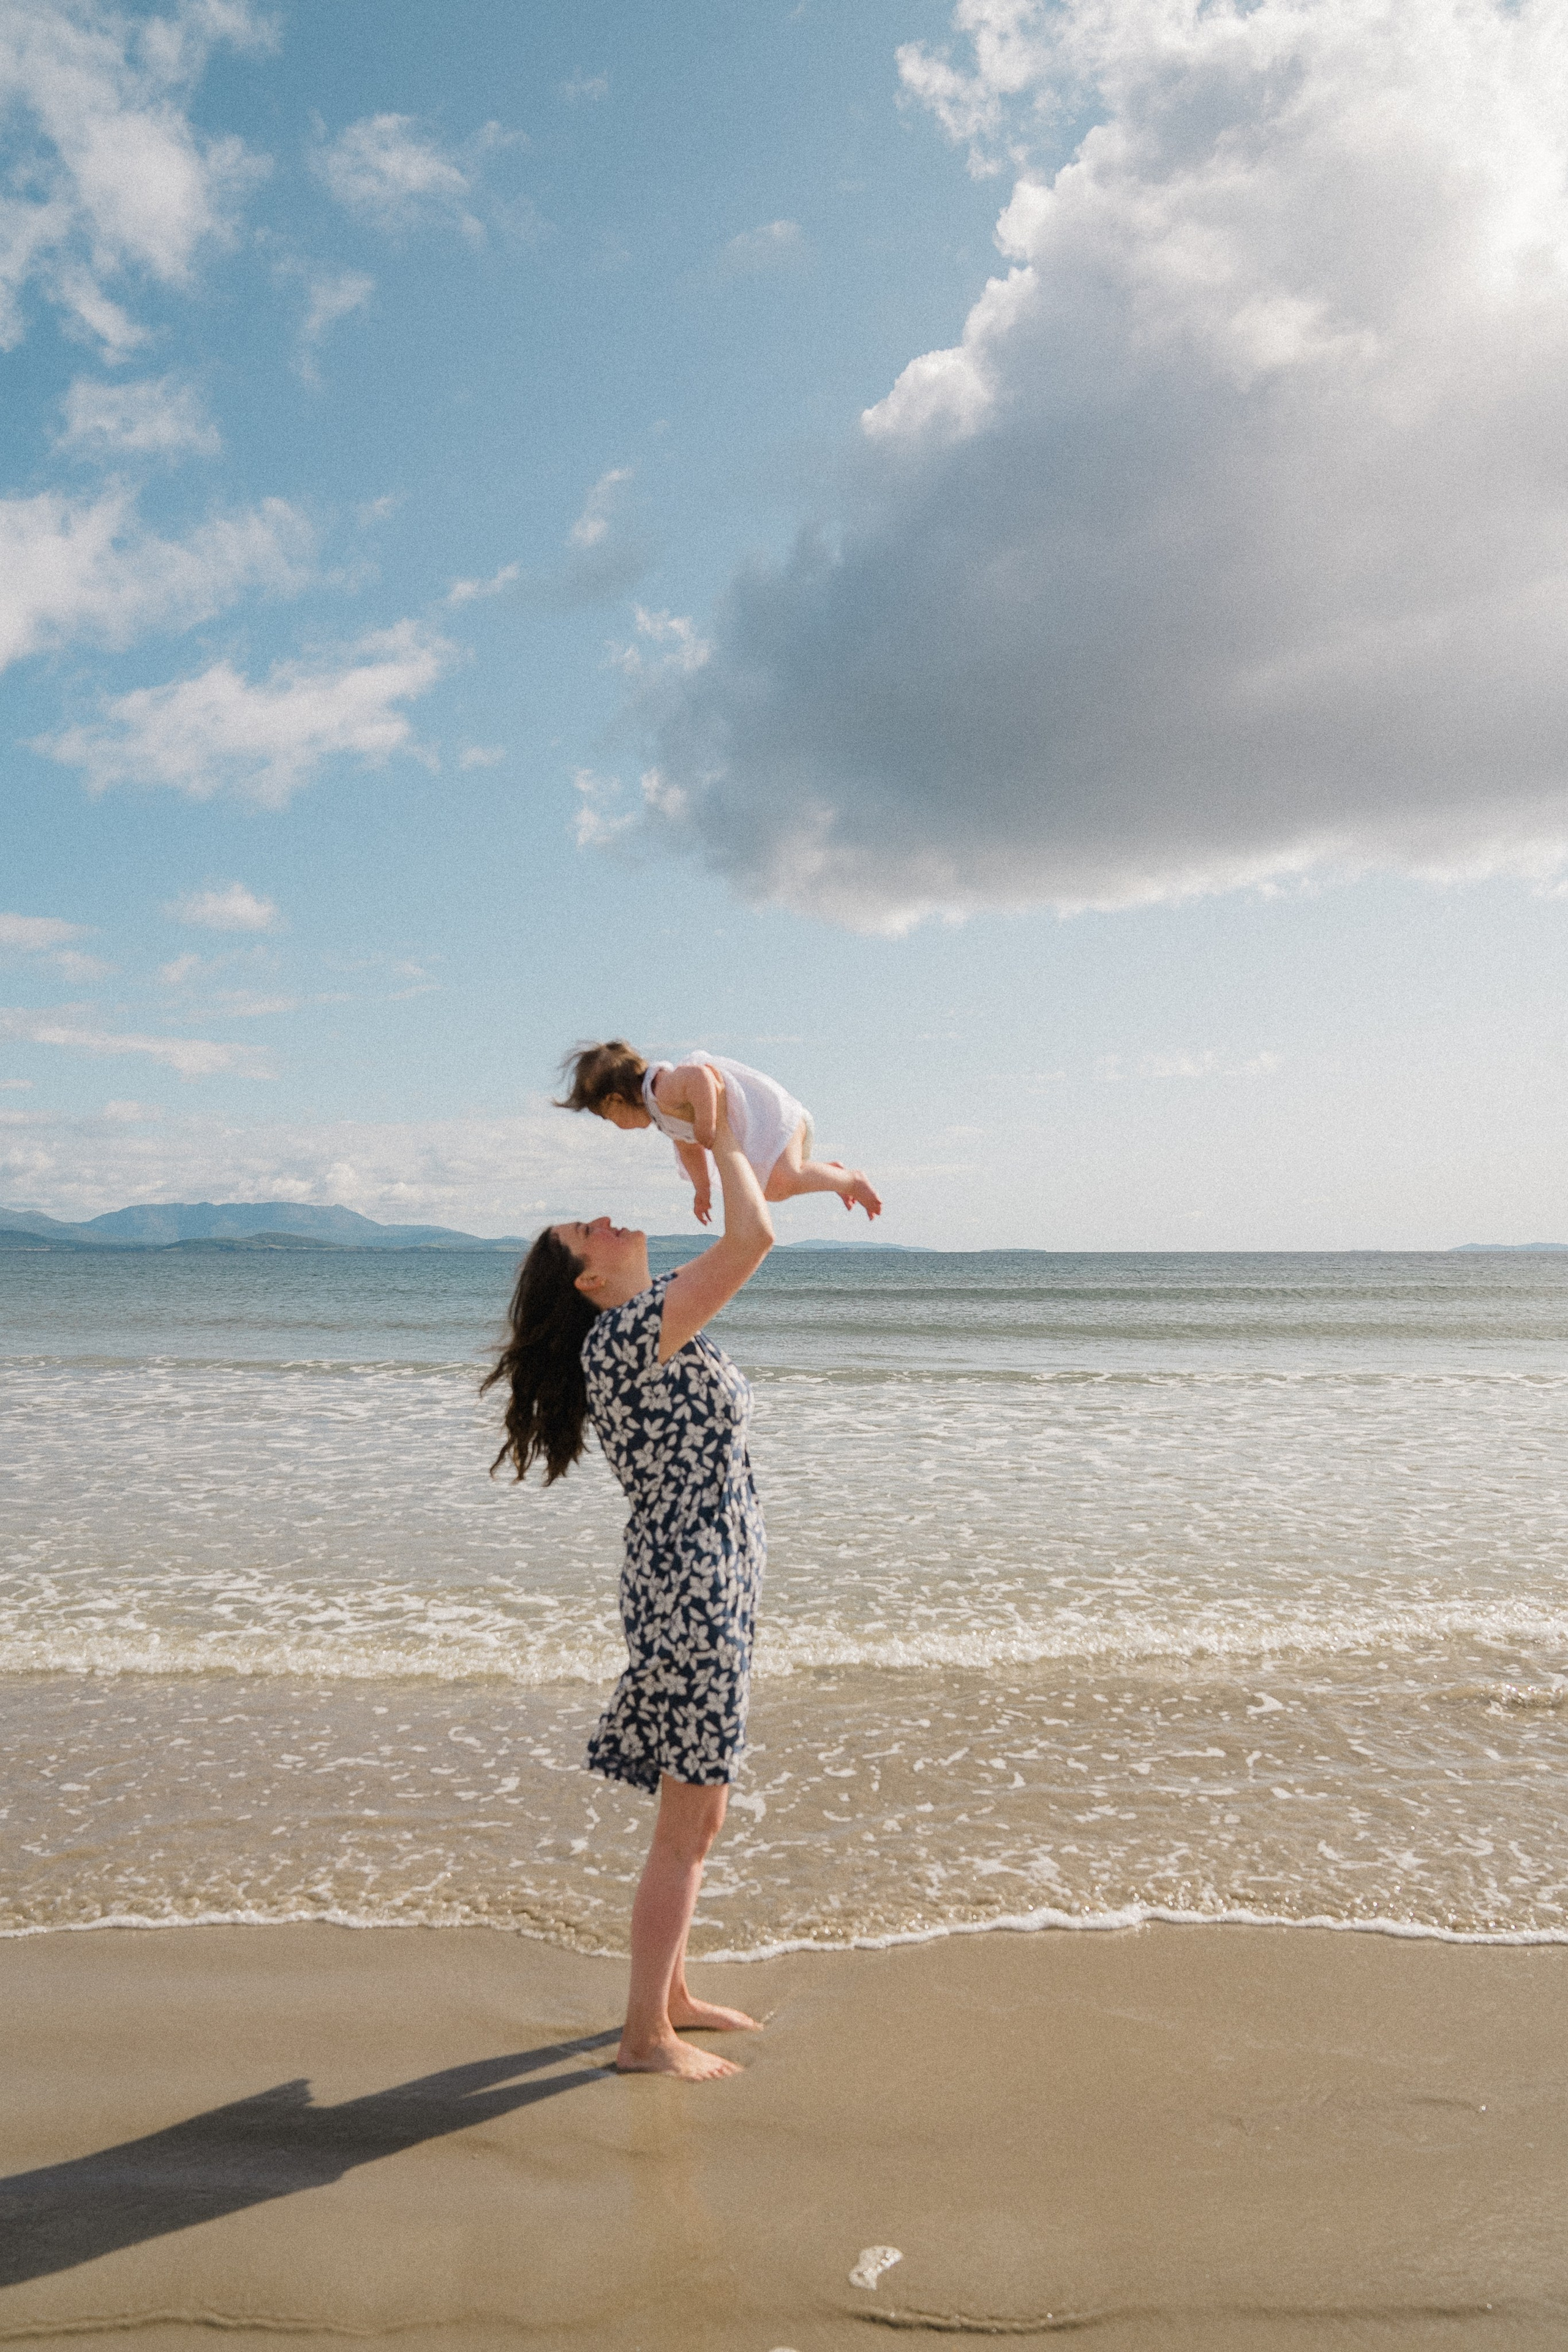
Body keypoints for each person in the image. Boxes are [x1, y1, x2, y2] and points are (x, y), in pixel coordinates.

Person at [484, 1094, 774, 2080]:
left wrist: (708, 1155)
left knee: (701, 1813)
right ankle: (643, 2037)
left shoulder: (645, 1324)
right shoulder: (631, 1332)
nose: (608, 1220)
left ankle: (673, 1994)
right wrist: (721, 1140)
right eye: (588, 1230)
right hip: (693, 1588)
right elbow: (755, 1238)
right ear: (591, 1276)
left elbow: (747, 1217)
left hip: (700, 1582)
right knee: (689, 1824)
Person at [555, 1038, 882, 1224]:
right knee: (768, 1190)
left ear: (616, 1100)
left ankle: (851, 1180)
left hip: (772, 1121)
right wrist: (702, 1190)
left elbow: (699, 1078)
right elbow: (689, 1147)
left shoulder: (662, 1090)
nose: (616, 1126)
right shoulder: (660, 1113)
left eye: (609, 1118)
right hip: (762, 1134)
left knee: (783, 1181)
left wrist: (707, 1122)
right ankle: (827, 1174)